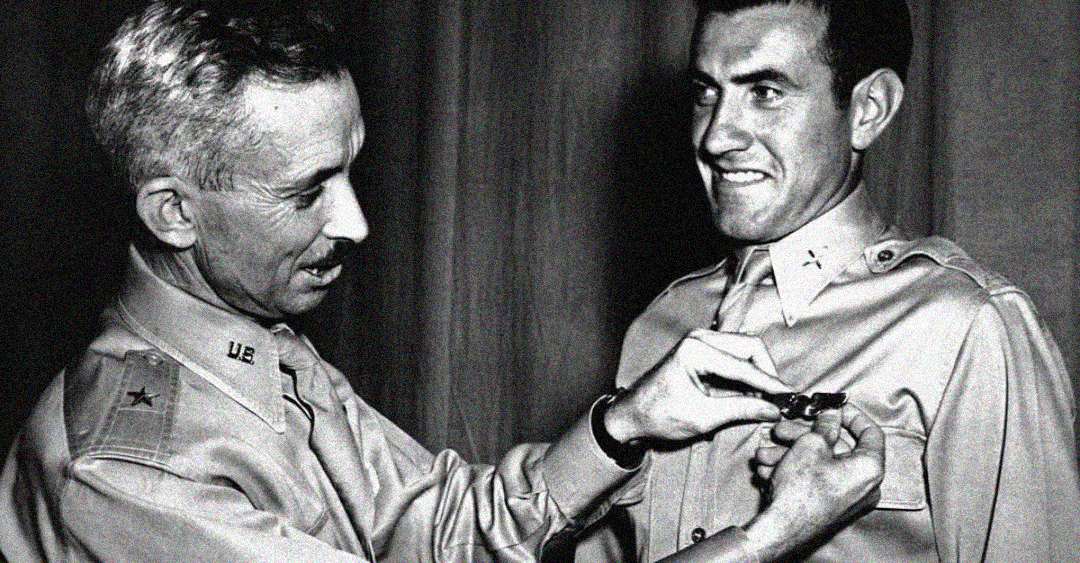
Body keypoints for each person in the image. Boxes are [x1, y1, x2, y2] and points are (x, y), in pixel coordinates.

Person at [0, 2, 889, 561]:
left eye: (350, 171)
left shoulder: (253, 348)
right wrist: (770, 536)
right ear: (173, 212)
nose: (355, 223)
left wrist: (628, 422)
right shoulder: (124, 468)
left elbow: (440, 529)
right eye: (307, 191)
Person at [575, 0, 1080, 561]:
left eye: (764, 93)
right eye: (706, 92)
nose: (716, 137)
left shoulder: (966, 327)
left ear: (869, 109)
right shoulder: (660, 325)